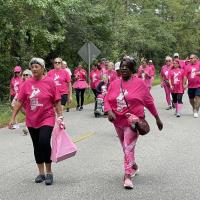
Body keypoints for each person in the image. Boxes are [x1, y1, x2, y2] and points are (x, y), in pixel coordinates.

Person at [104, 57, 163, 189]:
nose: (124, 68)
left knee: (128, 147)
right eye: (122, 66)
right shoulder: (114, 83)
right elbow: (107, 98)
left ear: (132, 69)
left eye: (127, 66)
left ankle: (127, 176)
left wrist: (157, 118)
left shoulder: (140, 84)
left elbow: (149, 102)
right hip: (117, 121)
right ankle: (133, 165)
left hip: (133, 121)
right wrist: (109, 111)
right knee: (125, 148)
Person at [9, 58, 63, 185]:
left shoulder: (50, 82)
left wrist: (60, 116)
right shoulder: (26, 84)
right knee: (36, 145)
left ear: (43, 68)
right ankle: (41, 173)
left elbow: (57, 101)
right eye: (32, 67)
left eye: (36, 66)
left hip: (47, 117)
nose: (34, 69)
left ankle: (49, 172)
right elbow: (19, 101)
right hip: (32, 119)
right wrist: (12, 118)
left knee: (44, 142)